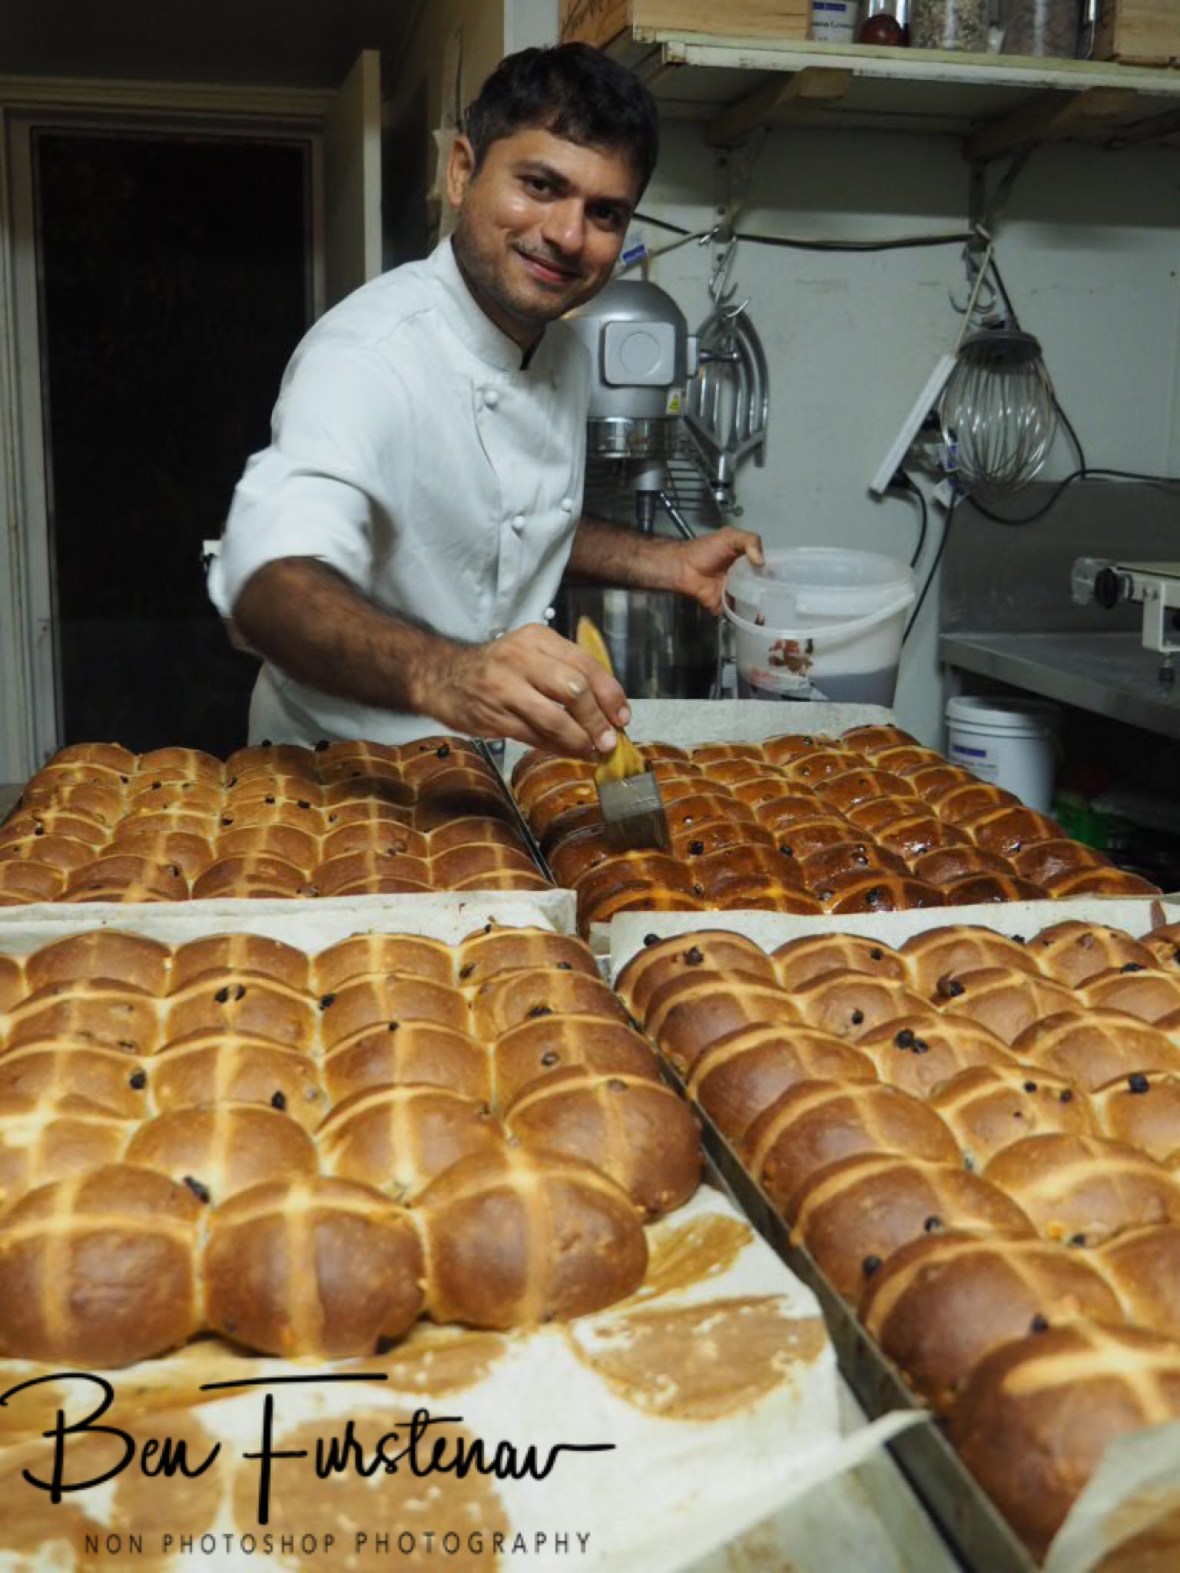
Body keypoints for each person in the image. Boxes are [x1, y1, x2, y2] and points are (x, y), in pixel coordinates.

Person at [208, 42, 762, 759]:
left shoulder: (559, 348)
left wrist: (670, 564)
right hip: (342, 781)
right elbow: (267, 583)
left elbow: (507, 521)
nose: (567, 235)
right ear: (463, 171)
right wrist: (453, 676)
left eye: (604, 213)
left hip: (483, 772)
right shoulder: (367, 357)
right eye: (539, 185)